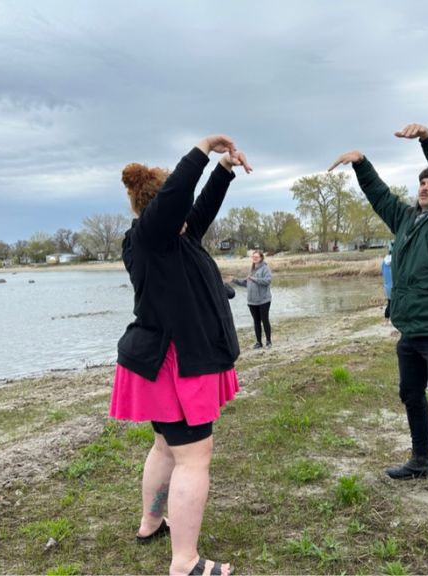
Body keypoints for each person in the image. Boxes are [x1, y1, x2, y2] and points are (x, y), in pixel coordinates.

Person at [109, 134, 251, 576]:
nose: (187, 217)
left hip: (166, 360)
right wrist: (202, 148)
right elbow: (178, 198)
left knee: (165, 448)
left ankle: (152, 519)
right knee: (194, 456)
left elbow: (199, 207)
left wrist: (224, 169)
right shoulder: (150, 236)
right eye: (176, 208)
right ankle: (184, 561)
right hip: (175, 364)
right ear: (161, 209)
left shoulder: (177, 236)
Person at [329, 123, 428, 515]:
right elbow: (381, 197)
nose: (426, 185)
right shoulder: (408, 221)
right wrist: (361, 164)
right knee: (411, 395)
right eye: (422, 182)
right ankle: (422, 460)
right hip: (411, 329)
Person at [233, 250, 273, 349]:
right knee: (256, 322)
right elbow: (247, 283)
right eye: (253, 257)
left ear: (261, 258)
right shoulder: (252, 269)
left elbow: (267, 281)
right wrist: (234, 280)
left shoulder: (265, 268)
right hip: (252, 301)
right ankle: (259, 343)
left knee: (265, 320)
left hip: (264, 300)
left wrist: (254, 279)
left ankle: (268, 341)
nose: (255, 258)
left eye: (257, 257)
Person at [382, 242, 393, 319]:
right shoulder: (395, 260)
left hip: (387, 286)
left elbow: (383, 271)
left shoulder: (384, 261)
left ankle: (386, 319)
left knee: (389, 302)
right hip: (394, 285)